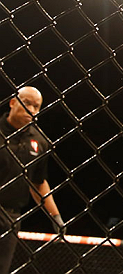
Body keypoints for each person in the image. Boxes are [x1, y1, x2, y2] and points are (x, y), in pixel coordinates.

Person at [0, 86, 65, 274]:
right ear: (13, 102)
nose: (32, 110)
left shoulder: (40, 142)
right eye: (27, 103)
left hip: (10, 218)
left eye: (37, 106)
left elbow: (38, 182)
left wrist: (56, 217)